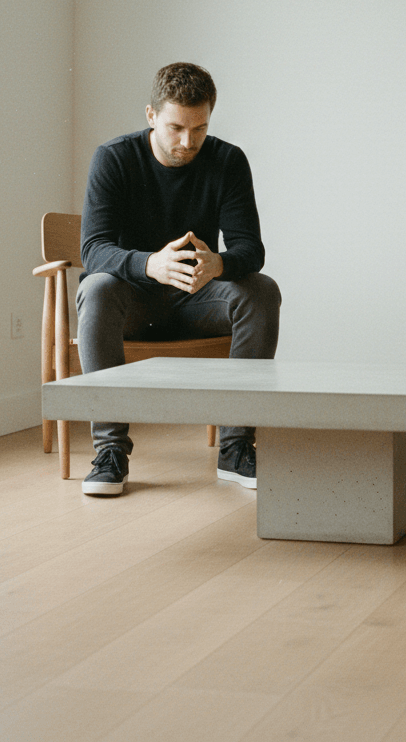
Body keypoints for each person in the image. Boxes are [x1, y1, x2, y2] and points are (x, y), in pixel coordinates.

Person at [76, 63, 281, 496]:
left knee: (262, 291)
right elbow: (93, 250)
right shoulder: (113, 158)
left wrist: (219, 264)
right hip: (132, 300)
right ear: (151, 115)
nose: (187, 142)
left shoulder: (227, 160)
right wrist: (150, 264)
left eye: (199, 129)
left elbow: (252, 249)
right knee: (95, 288)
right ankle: (110, 452)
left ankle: (237, 446)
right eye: (175, 128)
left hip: (196, 300)